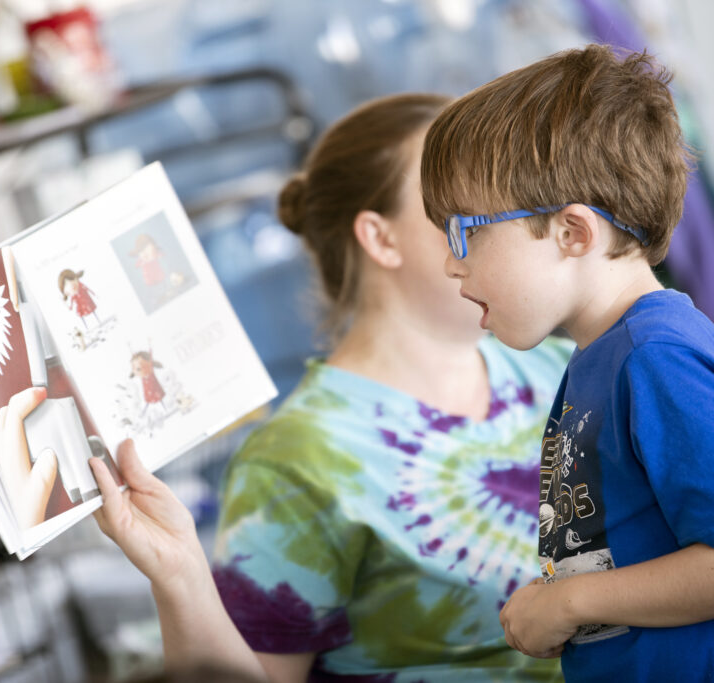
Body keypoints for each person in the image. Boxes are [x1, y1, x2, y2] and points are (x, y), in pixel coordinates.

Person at [91, 92, 572, 682]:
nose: (505, 221)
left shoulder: (565, 369)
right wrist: (180, 575)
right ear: (380, 238)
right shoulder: (299, 462)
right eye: (459, 204)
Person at [417, 44, 714, 680]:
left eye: (465, 232)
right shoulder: (603, 357)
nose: (450, 263)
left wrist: (568, 603)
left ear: (573, 233)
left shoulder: (656, 358)